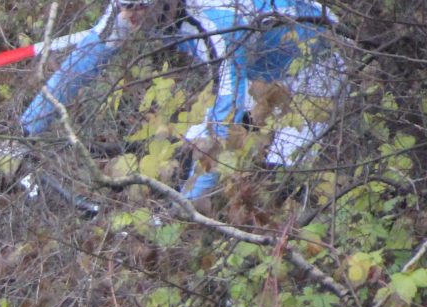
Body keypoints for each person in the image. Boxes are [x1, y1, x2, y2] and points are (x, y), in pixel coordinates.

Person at [17, 0, 345, 202]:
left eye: (141, 7)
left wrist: (193, 202)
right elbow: (85, 60)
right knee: (186, 159)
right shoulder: (128, 8)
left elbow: (226, 114)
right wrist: (24, 133)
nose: (131, 17)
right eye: (125, 6)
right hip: (259, 72)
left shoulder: (216, 20)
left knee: (277, 182)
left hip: (314, 62)